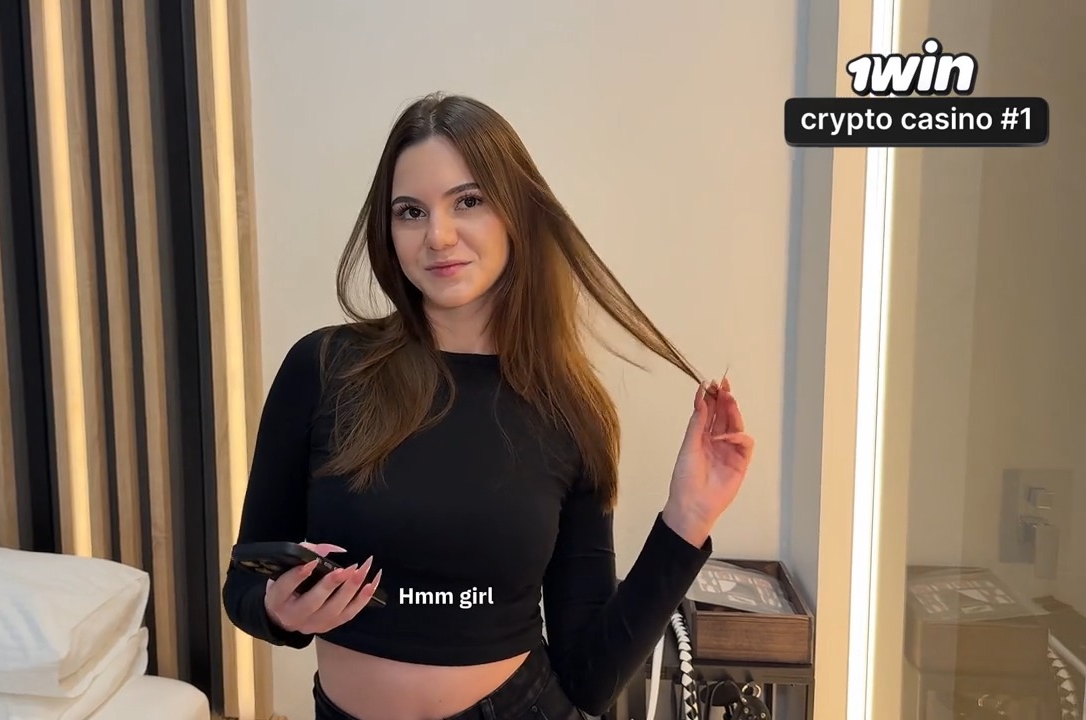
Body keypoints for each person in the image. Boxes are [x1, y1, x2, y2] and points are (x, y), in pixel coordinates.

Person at [222, 92, 754, 720]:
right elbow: (244, 584)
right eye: (410, 212)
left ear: (516, 214)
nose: (438, 236)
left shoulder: (569, 409)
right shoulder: (323, 368)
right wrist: (279, 610)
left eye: (468, 202)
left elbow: (590, 677)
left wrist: (688, 517)